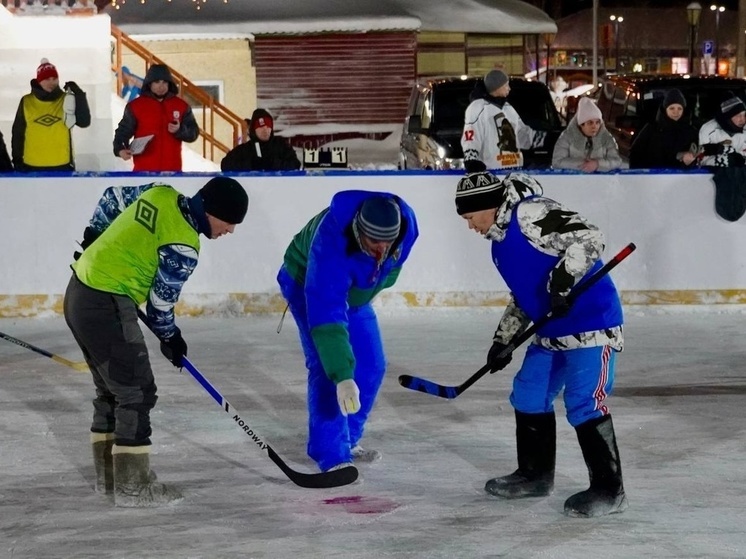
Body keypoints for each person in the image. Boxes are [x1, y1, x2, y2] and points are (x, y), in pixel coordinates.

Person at [63, 176, 248, 507]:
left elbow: (111, 197)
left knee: (113, 390)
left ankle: (111, 480)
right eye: (230, 221)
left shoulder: (159, 192)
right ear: (211, 210)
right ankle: (133, 488)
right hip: (107, 301)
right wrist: (172, 338)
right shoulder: (184, 245)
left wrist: (94, 234)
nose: (230, 231)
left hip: (79, 290)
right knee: (136, 391)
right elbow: (160, 306)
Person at [454, 171, 627, 518]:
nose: (470, 226)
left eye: (471, 217)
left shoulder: (529, 213)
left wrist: (562, 281)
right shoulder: (499, 246)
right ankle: (535, 475)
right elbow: (523, 296)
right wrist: (503, 339)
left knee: (584, 402)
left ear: (487, 205)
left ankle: (610, 489)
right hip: (552, 333)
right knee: (529, 392)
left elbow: (590, 238)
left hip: (592, 325)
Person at [276, 191, 418, 473]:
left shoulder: (406, 229)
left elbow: (385, 265)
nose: (381, 249)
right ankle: (331, 453)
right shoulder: (331, 243)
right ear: (358, 230)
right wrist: (341, 375)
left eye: (387, 243)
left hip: (354, 295)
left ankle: (349, 439)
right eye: (373, 241)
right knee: (327, 368)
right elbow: (326, 311)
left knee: (371, 364)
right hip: (308, 284)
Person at [113, 64, 199, 172]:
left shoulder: (181, 106)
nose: (161, 86)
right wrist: (120, 149)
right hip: (143, 173)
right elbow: (123, 131)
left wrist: (180, 130)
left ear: (169, 84)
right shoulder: (136, 106)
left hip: (173, 174)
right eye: (157, 82)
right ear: (149, 84)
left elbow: (193, 133)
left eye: (164, 82)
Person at [11, 58, 90, 172]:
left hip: (62, 165)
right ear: (39, 81)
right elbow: (18, 133)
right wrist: (17, 161)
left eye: (54, 78)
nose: (51, 82)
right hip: (31, 166)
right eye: (46, 79)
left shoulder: (66, 100)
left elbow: (84, 122)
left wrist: (79, 94)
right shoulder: (26, 101)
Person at [462, 69, 546, 172]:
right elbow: (471, 134)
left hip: (514, 170)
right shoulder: (478, 108)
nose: (509, 88)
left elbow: (521, 134)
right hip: (491, 172)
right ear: (497, 87)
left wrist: (544, 139)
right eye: (506, 85)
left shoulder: (508, 108)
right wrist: (471, 159)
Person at [629, 89, 699, 170]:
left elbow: (698, 158)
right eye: (672, 108)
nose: (676, 112)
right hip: (652, 178)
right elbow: (635, 155)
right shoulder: (651, 129)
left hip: (681, 179)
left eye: (679, 108)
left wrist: (688, 162)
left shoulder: (691, 132)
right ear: (665, 109)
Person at [551, 97, 623, 172]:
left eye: (597, 122)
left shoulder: (607, 138)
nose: (594, 126)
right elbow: (557, 162)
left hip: (601, 182)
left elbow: (617, 161)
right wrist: (584, 164)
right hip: (573, 181)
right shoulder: (567, 137)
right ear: (581, 124)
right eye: (590, 123)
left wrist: (597, 164)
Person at [221, 109, 301, 172]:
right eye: (261, 127)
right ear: (253, 130)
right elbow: (225, 165)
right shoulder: (245, 149)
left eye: (268, 127)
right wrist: (251, 164)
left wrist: (272, 163)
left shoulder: (281, 145)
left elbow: (295, 164)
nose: (265, 130)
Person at [698, 94, 746, 168]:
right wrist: (728, 159)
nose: (742, 119)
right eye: (738, 115)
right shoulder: (708, 129)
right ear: (728, 117)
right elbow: (701, 158)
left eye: (744, 115)